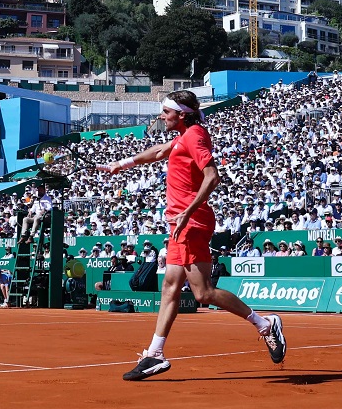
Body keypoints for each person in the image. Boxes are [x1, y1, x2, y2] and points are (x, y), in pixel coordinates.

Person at [100, 90, 285, 381]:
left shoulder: (195, 135)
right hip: (179, 224)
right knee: (170, 286)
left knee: (202, 293)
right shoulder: (183, 136)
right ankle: (154, 354)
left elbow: (213, 176)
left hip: (191, 222)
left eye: (166, 112)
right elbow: (159, 152)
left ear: (181, 114)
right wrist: (120, 165)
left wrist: (187, 211)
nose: (162, 116)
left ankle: (265, 324)